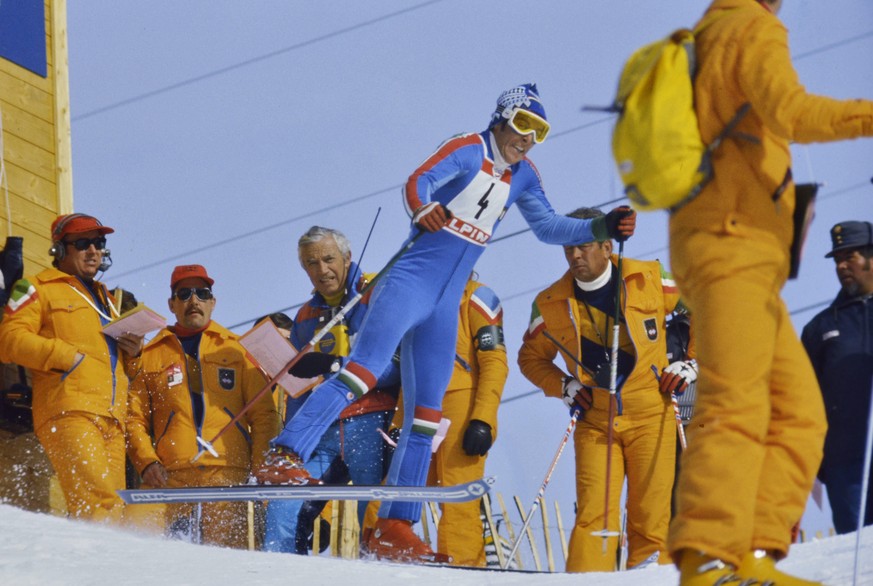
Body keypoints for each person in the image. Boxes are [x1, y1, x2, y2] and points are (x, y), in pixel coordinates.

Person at [255, 82, 637, 564]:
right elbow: (418, 180)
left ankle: (395, 523)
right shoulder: (469, 147)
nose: (528, 138)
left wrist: (599, 227)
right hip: (409, 284)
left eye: (540, 131)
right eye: (523, 125)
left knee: (426, 413)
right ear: (502, 119)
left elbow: (547, 226)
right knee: (362, 370)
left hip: (445, 303)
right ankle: (285, 454)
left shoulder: (523, 175)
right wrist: (424, 206)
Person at [666, 1, 873, 584]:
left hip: (738, 249)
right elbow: (793, 111)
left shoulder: (708, 32)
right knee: (735, 406)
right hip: (731, 243)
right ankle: (708, 558)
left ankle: (753, 554)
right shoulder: (749, 28)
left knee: (800, 414)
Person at [518, 207, 691, 572]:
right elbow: (530, 358)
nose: (575, 256)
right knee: (594, 516)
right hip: (596, 421)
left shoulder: (650, 277)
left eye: (583, 247)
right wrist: (563, 386)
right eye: (568, 249)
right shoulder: (549, 303)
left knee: (650, 516)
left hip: (651, 414)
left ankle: (650, 578)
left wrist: (691, 363)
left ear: (608, 248)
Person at [262, 226, 400, 554]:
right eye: (312, 263)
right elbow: (299, 387)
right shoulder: (306, 315)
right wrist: (295, 443)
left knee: (375, 518)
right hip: (323, 429)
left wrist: (336, 364)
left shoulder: (377, 293)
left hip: (372, 423)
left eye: (328, 259)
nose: (322, 270)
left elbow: (397, 365)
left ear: (347, 257)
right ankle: (279, 570)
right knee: (284, 506)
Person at [0, 213, 142, 522]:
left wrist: (134, 353)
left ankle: (104, 569)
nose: (94, 251)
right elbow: (9, 340)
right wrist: (65, 356)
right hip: (70, 412)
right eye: (83, 243)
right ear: (59, 250)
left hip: (111, 418)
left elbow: (110, 358)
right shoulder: (34, 287)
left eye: (99, 243)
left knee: (114, 510)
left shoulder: (108, 299)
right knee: (98, 505)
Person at [125, 264, 279, 548]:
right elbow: (133, 418)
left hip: (228, 478)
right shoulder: (150, 355)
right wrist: (146, 463)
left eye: (201, 293)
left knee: (228, 568)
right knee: (136, 542)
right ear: (172, 304)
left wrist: (261, 473)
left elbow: (264, 416)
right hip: (169, 479)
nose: (193, 300)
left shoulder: (237, 349)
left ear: (213, 302)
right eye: (184, 294)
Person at [427, 274, 508, 567]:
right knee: (394, 491)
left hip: (459, 401)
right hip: (417, 402)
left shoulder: (477, 297)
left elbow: (494, 361)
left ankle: (460, 567)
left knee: (456, 497)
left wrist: (483, 419)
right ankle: (381, 559)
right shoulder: (416, 293)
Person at [802, 220, 873, 534]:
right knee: (855, 555)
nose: (843, 265)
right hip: (846, 466)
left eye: (851, 256)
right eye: (838, 259)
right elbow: (802, 398)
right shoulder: (819, 328)